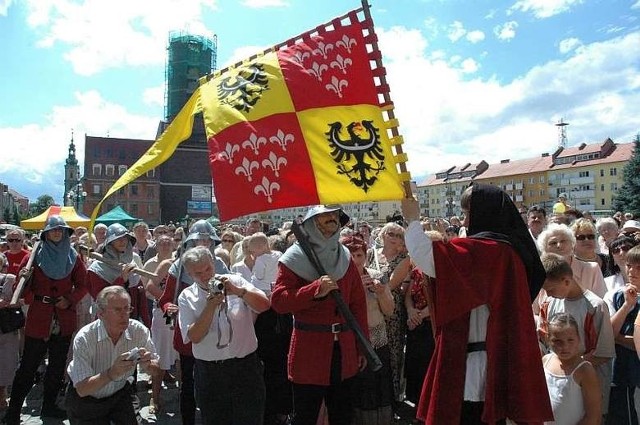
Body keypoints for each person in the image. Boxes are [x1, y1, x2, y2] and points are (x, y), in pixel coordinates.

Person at [401, 184, 552, 424]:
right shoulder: (509, 250)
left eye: (468, 213)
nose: (466, 220)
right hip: (496, 358)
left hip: (478, 366)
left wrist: (412, 219)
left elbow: (430, 259)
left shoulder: (490, 250)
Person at [271, 205, 369, 425]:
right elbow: (279, 301)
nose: (333, 220)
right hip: (309, 351)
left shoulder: (344, 256)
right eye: (326, 217)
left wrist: (361, 346)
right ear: (311, 223)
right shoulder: (294, 257)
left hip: (344, 350)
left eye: (335, 216)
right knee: (305, 416)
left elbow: (357, 304)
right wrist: (314, 290)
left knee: (342, 415)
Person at [3, 216, 88, 424]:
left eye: (61, 230)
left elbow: (83, 286)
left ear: (65, 233)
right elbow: (20, 291)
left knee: (57, 367)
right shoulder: (34, 256)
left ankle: (49, 407)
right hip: (39, 317)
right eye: (53, 230)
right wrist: (25, 277)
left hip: (63, 317)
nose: (57, 233)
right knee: (28, 367)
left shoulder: (73, 257)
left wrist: (69, 300)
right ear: (46, 233)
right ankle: (13, 412)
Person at [178, 245, 270, 425]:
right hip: (211, 372)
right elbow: (194, 337)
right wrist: (210, 307)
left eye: (208, 269)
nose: (205, 276)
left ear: (214, 264)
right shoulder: (187, 296)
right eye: (198, 273)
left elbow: (264, 305)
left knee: (251, 418)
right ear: (190, 275)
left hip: (245, 367)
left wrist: (238, 291)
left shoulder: (236, 281)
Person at [158, 219, 228, 425]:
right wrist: (168, 308)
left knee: (216, 385)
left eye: (208, 240)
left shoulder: (220, 265)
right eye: (200, 240)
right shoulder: (179, 267)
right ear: (191, 241)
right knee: (188, 383)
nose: (204, 244)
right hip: (190, 332)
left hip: (217, 332)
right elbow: (165, 299)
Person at [537, 252, 615, 421]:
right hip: (557, 384)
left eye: (551, 289)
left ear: (566, 281)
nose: (548, 294)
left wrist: (573, 366)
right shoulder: (549, 304)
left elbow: (603, 353)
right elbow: (544, 341)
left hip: (587, 384)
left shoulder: (595, 307)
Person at [65, 285, 158, 424]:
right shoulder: (85, 337)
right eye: (117, 310)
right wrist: (112, 373)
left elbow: (156, 368)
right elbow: (82, 389)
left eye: (127, 308)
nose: (124, 314)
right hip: (87, 399)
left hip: (120, 393)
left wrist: (148, 365)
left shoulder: (138, 331)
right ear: (100, 314)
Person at [342, 234, 394, 425]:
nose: (355, 261)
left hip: (378, 340)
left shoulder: (377, 276)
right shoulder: (339, 280)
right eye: (350, 256)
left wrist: (381, 293)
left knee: (379, 387)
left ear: (365, 255)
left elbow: (389, 311)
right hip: (354, 343)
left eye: (359, 255)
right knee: (359, 390)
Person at [368, 222, 411, 414]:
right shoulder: (371, 254)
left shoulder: (404, 259)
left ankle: (392, 399)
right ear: (383, 235)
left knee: (392, 354)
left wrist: (372, 286)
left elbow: (391, 285)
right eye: (390, 233)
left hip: (392, 312)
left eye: (399, 235)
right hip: (371, 310)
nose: (394, 237)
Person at [543, 313, 601, 425]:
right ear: (548, 339)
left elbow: (593, 417)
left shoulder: (584, 370)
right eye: (558, 341)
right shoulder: (546, 361)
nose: (565, 347)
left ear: (578, 339)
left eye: (570, 340)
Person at [87, 223, 149, 327]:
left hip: (132, 322)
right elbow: (101, 299)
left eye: (125, 238)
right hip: (108, 322)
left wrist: (146, 324)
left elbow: (141, 298)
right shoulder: (96, 269)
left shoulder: (132, 264)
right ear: (110, 243)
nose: (122, 241)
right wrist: (121, 279)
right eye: (118, 238)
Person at [604, 245, 640, 424]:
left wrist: (622, 339)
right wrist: (626, 306)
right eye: (629, 265)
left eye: (638, 267)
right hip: (624, 373)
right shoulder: (615, 296)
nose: (632, 271)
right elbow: (608, 334)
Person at [537, 223, 607, 298]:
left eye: (563, 241)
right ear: (544, 249)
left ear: (572, 244)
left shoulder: (591, 269)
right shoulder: (540, 274)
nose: (559, 245)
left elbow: (601, 300)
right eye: (553, 243)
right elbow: (536, 306)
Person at [0, 253, 19, 410]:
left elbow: (21, 299)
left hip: (6, 327)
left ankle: (2, 394)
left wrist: (9, 303)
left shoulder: (10, 279)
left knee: (7, 362)